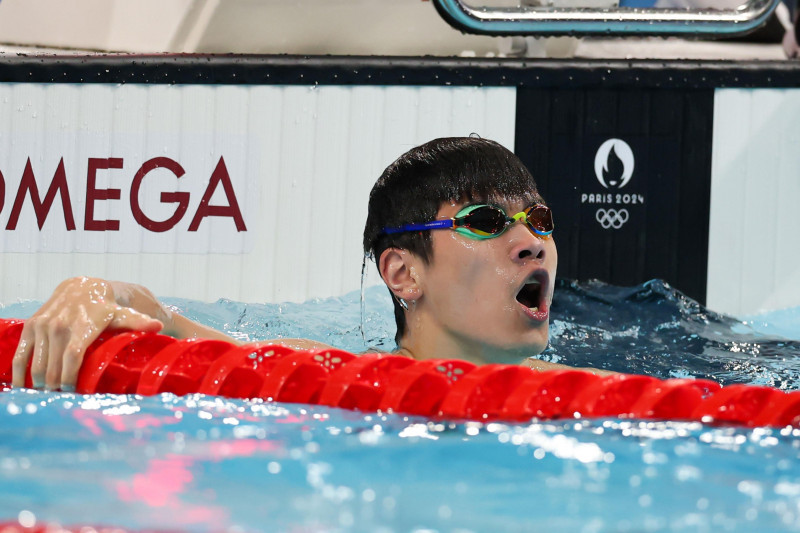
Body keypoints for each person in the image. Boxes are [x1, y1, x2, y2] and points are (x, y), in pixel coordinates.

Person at [11, 136, 606, 392]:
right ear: (403, 273)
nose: (532, 242)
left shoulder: (597, 397)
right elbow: (162, 322)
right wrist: (87, 290)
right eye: (485, 221)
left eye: (540, 221)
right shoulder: (330, 375)